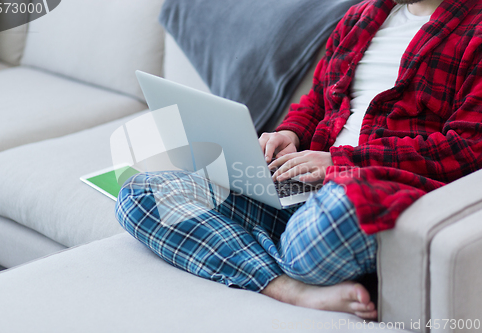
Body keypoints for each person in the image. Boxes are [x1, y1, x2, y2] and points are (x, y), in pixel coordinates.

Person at [116, 0, 482, 319]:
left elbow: (467, 148)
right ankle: (285, 287)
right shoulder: (362, 17)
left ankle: (243, 245)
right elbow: (316, 102)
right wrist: (288, 133)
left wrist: (339, 162)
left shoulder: (475, 31)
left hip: (365, 190)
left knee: (312, 239)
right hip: (300, 182)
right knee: (141, 196)